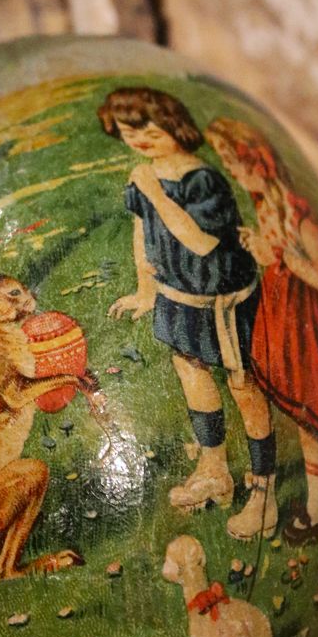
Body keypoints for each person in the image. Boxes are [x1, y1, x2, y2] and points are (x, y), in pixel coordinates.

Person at [98, 87, 277, 539]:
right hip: (179, 295)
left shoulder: (201, 181)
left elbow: (200, 242)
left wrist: (155, 192)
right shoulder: (145, 176)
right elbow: (143, 233)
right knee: (191, 370)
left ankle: (264, 491)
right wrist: (145, 291)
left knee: (241, 384)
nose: (138, 139)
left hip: (222, 298)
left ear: (173, 125)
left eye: (147, 128)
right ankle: (214, 469)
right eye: (128, 132)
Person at [205, 117, 318, 580]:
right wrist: (262, 251)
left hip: (312, 330)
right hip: (284, 321)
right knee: (303, 422)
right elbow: (274, 257)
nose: (234, 173)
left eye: (236, 164)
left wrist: (281, 257)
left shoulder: (300, 215)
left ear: (258, 163)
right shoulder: (263, 203)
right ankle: (313, 511)